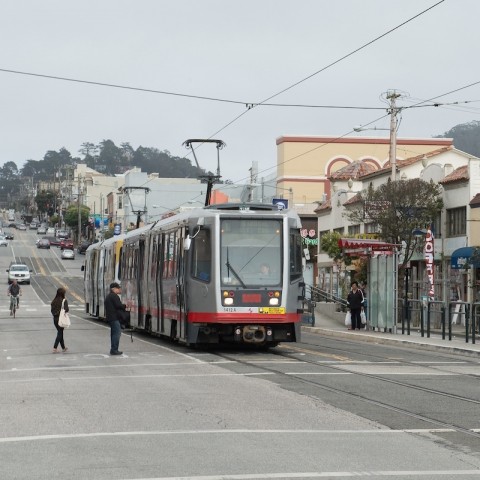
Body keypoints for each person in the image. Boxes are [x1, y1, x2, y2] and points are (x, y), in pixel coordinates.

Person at [104, 282, 128, 356]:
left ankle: (113, 349)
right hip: (114, 318)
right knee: (117, 333)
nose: (120, 289)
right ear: (114, 289)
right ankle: (114, 349)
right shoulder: (114, 296)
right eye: (118, 288)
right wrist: (124, 306)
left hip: (110, 318)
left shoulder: (108, 296)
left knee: (113, 333)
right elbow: (118, 305)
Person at [50, 287, 69, 353]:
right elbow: (67, 309)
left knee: (60, 332)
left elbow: (52, 310)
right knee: (60, 333)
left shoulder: (54, 301)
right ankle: (55, 348)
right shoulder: (64, 300)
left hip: (55, 318)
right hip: (61, 318)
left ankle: (63, 347)